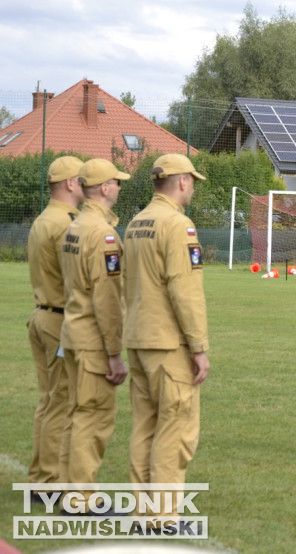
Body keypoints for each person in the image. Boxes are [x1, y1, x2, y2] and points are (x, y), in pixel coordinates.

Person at [123, 154, 211, 527]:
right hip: (168, 342)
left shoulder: (135, 222)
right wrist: (199, 347)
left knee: (145, 425)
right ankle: (163, 514)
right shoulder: (178, 225)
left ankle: (144, 509)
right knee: (175, 427)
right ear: (180, 182)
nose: (192, 187)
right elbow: (184, 290)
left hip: (139, 337)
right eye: (191, 180)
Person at [59, 158, 131, 514]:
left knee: (77, 414)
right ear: (104, 188)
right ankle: (81, 500)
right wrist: (114, 353)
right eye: (117, 182)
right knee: (94, 417)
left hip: (72, 333)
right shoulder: (102, 234)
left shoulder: (75, 226)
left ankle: (68, 492)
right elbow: (107, 298)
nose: (119, 187)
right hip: (91, 340)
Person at [26, 156, 84, 500]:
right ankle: (48, 481)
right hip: (60, 319)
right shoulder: (66, 223)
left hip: (41, 314)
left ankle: (39, 478)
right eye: (83, 180)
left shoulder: (43, 218)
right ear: (71, 184)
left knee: (49, 402)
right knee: (60, 403)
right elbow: (74, 275)